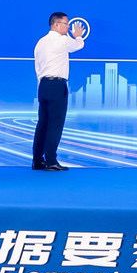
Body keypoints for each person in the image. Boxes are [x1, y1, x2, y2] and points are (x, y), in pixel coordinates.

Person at [32, 11, 86, 171]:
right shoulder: (62, 40)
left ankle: (37, 160)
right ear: (56, 24)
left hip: (43, 85)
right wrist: (78, 36)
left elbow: (38, 67)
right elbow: (78, 45)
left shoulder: (40, 42)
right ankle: (51, 161)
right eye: (66, 24)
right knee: (55, 124)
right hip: (57, 85)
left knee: (42, 124)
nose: (68, 27)